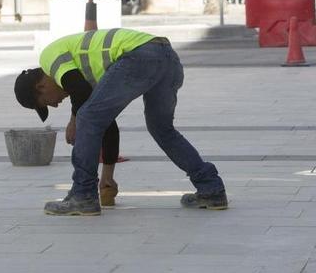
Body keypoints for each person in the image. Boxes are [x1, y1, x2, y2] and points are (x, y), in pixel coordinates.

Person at [14, 28, 228, 216]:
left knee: (87, 117)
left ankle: (82, 195)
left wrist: (74, 121)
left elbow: (79, 93)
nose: (55, 104)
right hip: (165, 56)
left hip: (139, 56)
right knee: (161, 128)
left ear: (40, 88)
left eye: (46, 103)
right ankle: (211, 189)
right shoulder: (82, 69)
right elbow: (106, 123)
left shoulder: (49, 58)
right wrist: (107, 176)